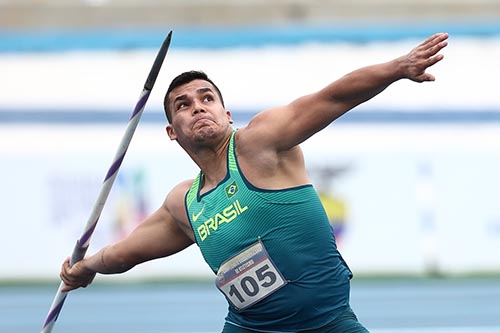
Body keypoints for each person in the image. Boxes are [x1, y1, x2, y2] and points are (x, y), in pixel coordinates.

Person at [60, 32, 448, 332]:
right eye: (183, 105)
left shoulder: (259, 144)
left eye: (206, 98)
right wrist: (87, 266)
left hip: (329, 324)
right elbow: (125, 253)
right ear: (172, 132)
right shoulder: (184, 204)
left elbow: (334, 97)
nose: (197, 106)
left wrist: (398, 68)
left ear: (226, 113)